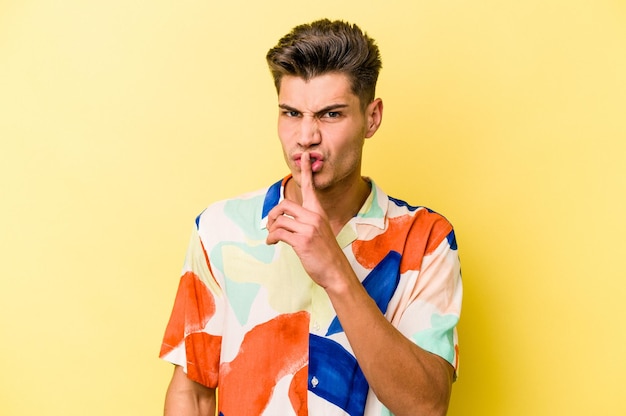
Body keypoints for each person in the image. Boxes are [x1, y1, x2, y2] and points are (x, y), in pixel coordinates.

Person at [159, 18, 462, 416]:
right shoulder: (218, 230)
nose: (306, 136)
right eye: (291, 113)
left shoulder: (425, 241)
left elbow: (426, 406)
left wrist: (335, 270)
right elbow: (193, 395)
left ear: (372, 118)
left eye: (330, 115)